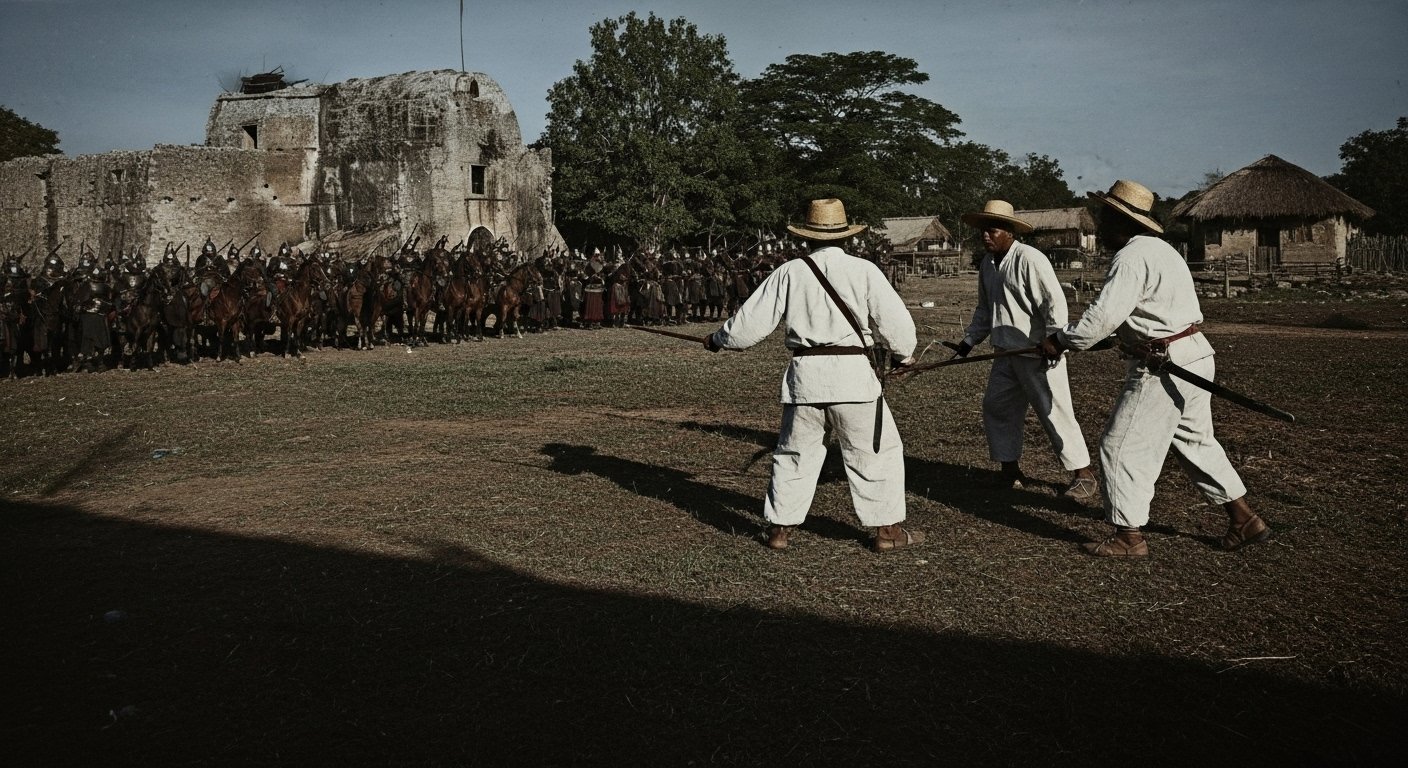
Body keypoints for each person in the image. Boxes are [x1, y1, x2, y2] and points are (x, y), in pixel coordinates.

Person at [1040, 180, 1272, 557]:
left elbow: (1101, 318)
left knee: (1119, 446)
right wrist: (1113, 339)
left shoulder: (1132, 256)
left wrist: (1061, 340)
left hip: (1165, 363)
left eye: (1103, 218)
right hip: (1193, 353)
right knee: (1195, 441)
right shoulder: (1161, 251)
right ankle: (1244, 519)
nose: (1098, 227)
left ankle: (1128, 538)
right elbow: (1142, 314)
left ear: (1121, 220)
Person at [705, 198, 922, 552]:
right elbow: (897, 325)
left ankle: (779, 531)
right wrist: (905, 356)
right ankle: (887, 533)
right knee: (874, 453)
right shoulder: (864, 270)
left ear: (807, 239)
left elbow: (747, 329)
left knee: (794, 454)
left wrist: (717, 340)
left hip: (805, 379)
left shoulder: (790, 272)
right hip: (853, 379)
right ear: (846, 237)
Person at [954, 200, 1097, 499]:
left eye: (991, 230)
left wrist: (1054, 341)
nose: (985, 236)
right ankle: (1010, 470)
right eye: (983, 231)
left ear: (1008, 231)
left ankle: (1083, 475)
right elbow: (985, 309)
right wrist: (967, 343)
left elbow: (1053, 303)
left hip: (1038, 354)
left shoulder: (1030, 259)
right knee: (997, 407)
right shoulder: (987, 265)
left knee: (1053, 411)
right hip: (1004, 353)